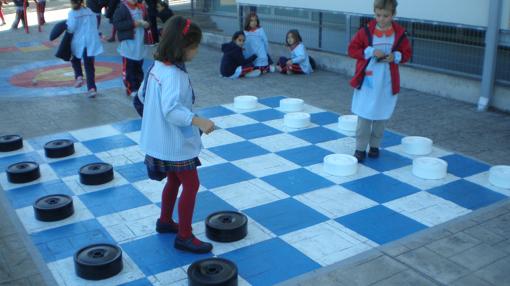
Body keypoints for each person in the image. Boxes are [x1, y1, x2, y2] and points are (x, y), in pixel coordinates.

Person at [138, 16, 215, 254]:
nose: (197, 51)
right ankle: (184, 235)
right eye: (195, 46)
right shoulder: (173, 75)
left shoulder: (157, 67)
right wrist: (197, 120)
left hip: (160, 140)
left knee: (174, 180)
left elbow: (141, 95)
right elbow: (171, 110)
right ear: (182, 47)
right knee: (191, 185)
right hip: (174, 143)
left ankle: (164, 221)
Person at [348, 0, 411, 162]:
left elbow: (407, 53)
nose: (381, 19)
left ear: (393, 15)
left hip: (387, 82)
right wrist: (369, 51)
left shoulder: (399, 33)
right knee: (364, 116)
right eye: (378, 15)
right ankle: (360, 148)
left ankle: (375, 145)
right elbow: (352, 49)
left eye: (386, 16)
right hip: (367, 81)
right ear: (374, 13)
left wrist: (395, 56)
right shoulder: (365, 32)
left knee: (381, 117)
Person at [112, 0, 149, 97]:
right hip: (128, 45)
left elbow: (148, 21)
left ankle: (139, 86)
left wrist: (146, 24)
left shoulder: (142, 8)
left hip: (139, 44)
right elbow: (117, 24)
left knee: (138, 68)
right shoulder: (122, 9)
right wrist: (133, 24)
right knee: (129, 69)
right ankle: (131, 88)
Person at [67, 0, 104, 97]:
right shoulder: (89, 11)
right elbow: (95, 25)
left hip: (78, 41)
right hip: (90, 42)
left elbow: (71, 28)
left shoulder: (72, 13)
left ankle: (79, 76)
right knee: (89, 66)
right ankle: (91, 88)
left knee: (75, 59)